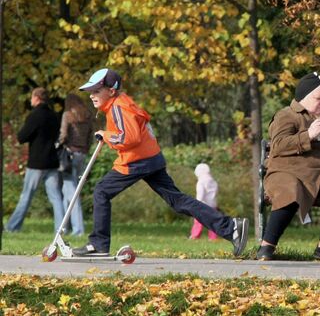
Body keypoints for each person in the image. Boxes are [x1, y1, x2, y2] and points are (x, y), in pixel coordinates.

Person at [71, 68, 248, 257]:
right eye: (91, 92)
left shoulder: (118, 107)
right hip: (150, 159)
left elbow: (128, 138)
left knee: (101, 191)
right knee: (178, 201)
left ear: (111, 91)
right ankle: (231, 227)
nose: (91, 96)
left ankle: (98, 244)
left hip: (136, 161)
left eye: (96, 91)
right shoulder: (122, 104)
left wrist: (105, 135)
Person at [257, 72, 320, 262]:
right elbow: (278, 145)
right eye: (318, 99)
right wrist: (308, 135)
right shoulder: (286, 115)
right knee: (291, 191)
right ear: (304, 97)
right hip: (286, 172)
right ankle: (267, 246)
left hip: (319, 175)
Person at [6, 88, 65, 233]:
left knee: (26, 195)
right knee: (56, 197)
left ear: (37, 98)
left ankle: (12, 227)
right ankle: (61, 229)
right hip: (52, 161)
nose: (31, 100)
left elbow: (22, 137)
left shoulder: (35, 116)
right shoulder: (54, 115)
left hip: (37, 163)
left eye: (32, 97)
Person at [58, 93, 94, 236]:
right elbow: (91, 136)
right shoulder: (87, 115)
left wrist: (58, 145)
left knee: (71, 192)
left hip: (70, 154)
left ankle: (78, 229)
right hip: (83, 154)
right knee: (68, 190)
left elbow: (63, 135)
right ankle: (65, 227)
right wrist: (86, 148)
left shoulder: (67, 115)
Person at [189, 163, 219, 240]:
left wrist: (196, 204)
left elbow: (200, 194)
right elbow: (215, 192)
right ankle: (213, 237)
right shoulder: (213, 181)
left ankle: (195, 235)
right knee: (212, 222)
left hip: (202, 205)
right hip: (212, 205)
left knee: (198, 221)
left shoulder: (201, 182)